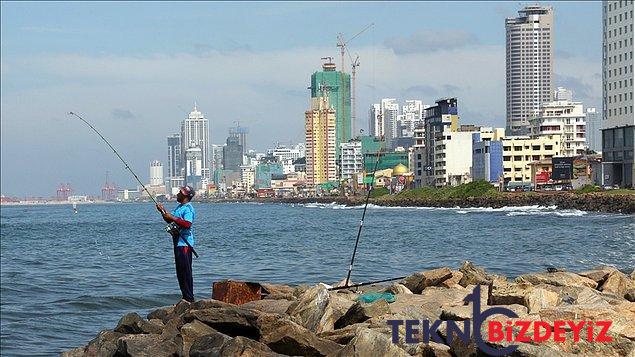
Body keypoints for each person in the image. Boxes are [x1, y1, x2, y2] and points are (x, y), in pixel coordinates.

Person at [156, 186, 196, 302]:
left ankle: (189, 298)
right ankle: (185, 297)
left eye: (180, 193)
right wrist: (162, 211)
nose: (177, 194)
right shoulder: (179, 208)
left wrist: (172, 217)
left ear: (185, 196)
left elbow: (188, 224)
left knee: (185, 271)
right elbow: (169, 219)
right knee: (180, 272)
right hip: (178, 243)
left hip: (185, 244)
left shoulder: (188, 208)